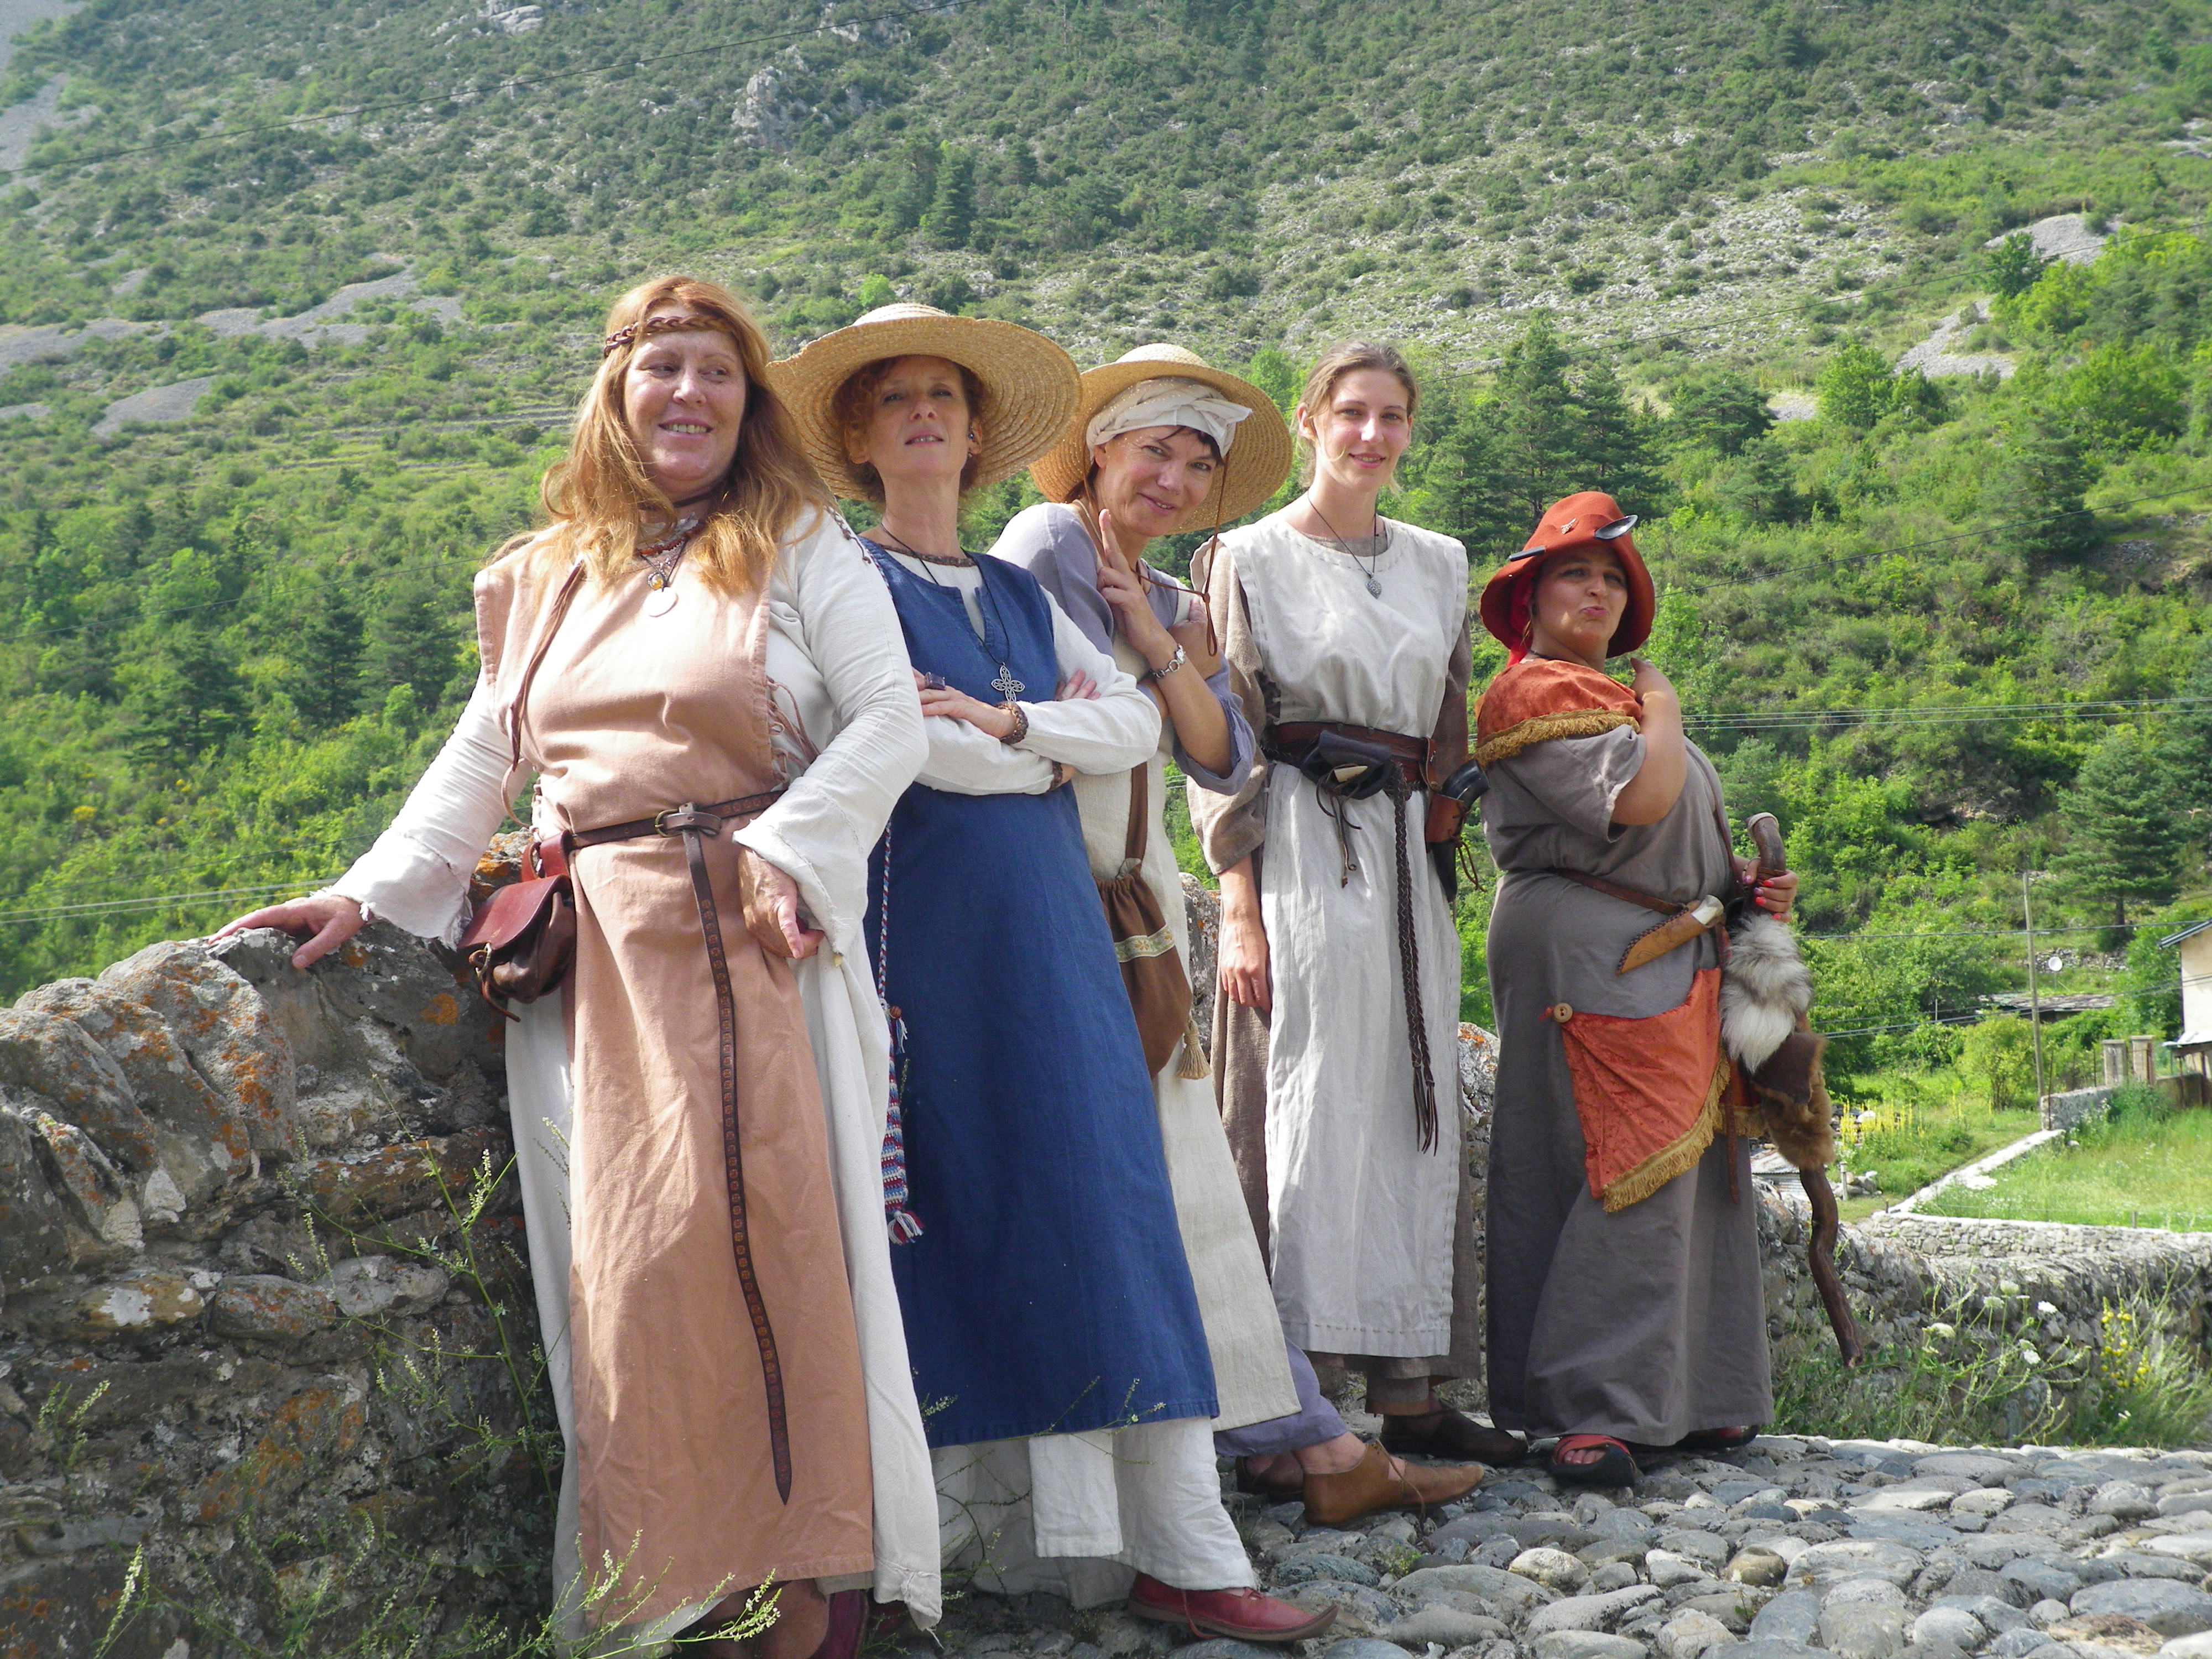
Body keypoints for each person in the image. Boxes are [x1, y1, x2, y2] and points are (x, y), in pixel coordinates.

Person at [220, 277, 941, 1655]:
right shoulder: (549, 569)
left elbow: (888, 722)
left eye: (717, 372)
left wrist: (788, 849)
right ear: (616, 393)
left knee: (787, 1259)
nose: (690, 393)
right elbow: (486, 752)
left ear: (748, 403)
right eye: (663, 367)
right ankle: (677, 1595)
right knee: (634, 1281)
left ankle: (811, 1596)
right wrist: (367, 892)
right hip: (600, 968)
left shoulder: (800, 541)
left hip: (759, 940)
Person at [771, 306, 1331, 1643]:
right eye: (895, 398)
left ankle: (1178, 1548)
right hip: (920, 944)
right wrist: (1033, 752)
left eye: (944, 398)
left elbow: (1138, 723)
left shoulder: (1018, 593)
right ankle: (921, 1558)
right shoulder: (835, 576)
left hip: (1056, 941)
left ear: (977, 436)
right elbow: (889, 739)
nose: (923, 415)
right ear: (858, 435)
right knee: (941, 1223)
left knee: (1111, 1213)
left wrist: (1012, 724)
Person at [1187, 342, 1507, 1510]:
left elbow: (1449, 726)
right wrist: (1238, 904)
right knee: (1307, 1102)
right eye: (1352, 413)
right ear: (1312, 420)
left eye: (1393, 417)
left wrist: (1442, 847)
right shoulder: (1248, 557)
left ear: (1410, 430)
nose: (1372, 435)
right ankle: (1295, 1408)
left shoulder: (1438, 562)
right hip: (1299, 847)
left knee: (1410, 1103)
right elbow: (1222, 736)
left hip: (1406, 857)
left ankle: (1410, 1393)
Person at [1472, 491, 1797, 1486]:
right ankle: (1593, 1405)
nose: (1598, 592)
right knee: (1620, 1158)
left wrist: (1740, 893)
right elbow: (1644, 800)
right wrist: (1663, 702)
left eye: (1613, 579)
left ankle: (1686, 1396)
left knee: (1692, 1163)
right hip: (1588, 947)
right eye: (1575, 574)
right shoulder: (1534, 692)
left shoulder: (1605, 697)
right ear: (1530, 598)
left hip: (1671, 945)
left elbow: (1673, 832)